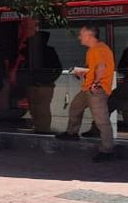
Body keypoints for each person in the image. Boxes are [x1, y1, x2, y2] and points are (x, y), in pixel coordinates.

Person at [56, 25, 118, 161]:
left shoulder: (98, 49)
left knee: (102, 121)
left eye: (81, 35)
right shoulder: (94, 50)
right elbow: (95, 68)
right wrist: (83, 72)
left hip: (96, 90)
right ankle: (72, 133)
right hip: (88, 88)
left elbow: (101, 67)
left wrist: (95, 83)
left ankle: (107, 150)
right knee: (75, 107)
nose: (79, 37)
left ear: (89, 36)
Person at [24, 31, 62, 134]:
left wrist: (49, 80)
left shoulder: (48, 51)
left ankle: (44, 129)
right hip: (34, 84)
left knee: (43, 108)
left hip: (44, 85)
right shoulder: (29, 51)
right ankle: (38, 127)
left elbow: (57, 68)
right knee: (34, 107)